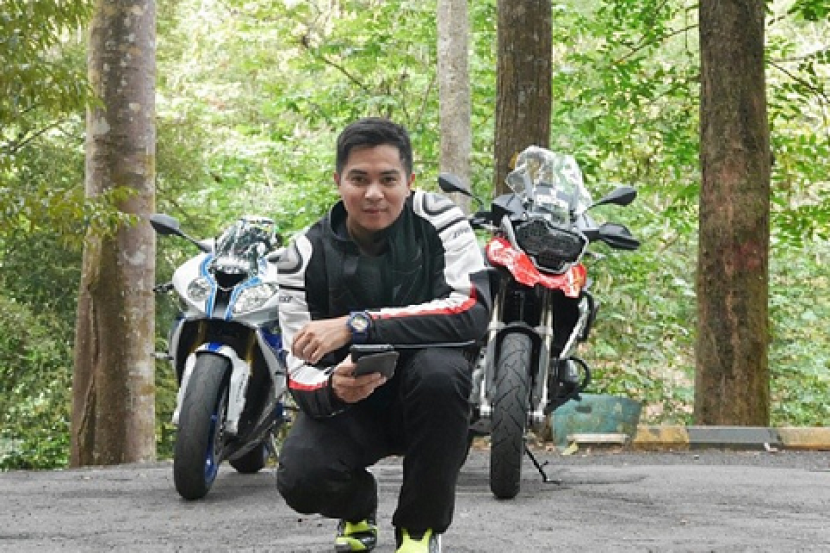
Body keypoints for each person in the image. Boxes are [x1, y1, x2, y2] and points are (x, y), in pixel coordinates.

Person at [275, 117, 491, 553]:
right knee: (300, 478)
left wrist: (357, 324)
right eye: (359, 179)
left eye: (388, 179)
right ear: (338, 181)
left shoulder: (440, 221)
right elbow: (297, 366)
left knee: (441, 371)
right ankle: (357, 507)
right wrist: (332, 388)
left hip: (431, 400)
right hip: (352, 402)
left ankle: (419, 528)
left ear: (409, 181)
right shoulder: (303, 255)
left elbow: (470, 310)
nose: (374, 193)